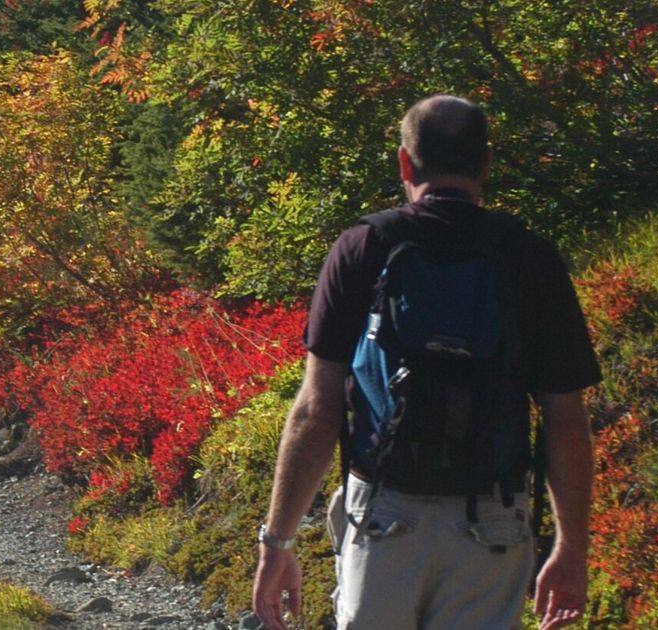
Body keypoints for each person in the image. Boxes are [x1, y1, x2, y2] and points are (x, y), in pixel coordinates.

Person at [251, 95, 600, 630]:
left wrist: (277, 542)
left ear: (405, 163)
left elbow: (316, 414)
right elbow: (567, 422)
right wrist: (572, 548)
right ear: (485, 165)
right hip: (493, 524)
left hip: (385, 518)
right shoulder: (530, 256)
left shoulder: (364, 246)